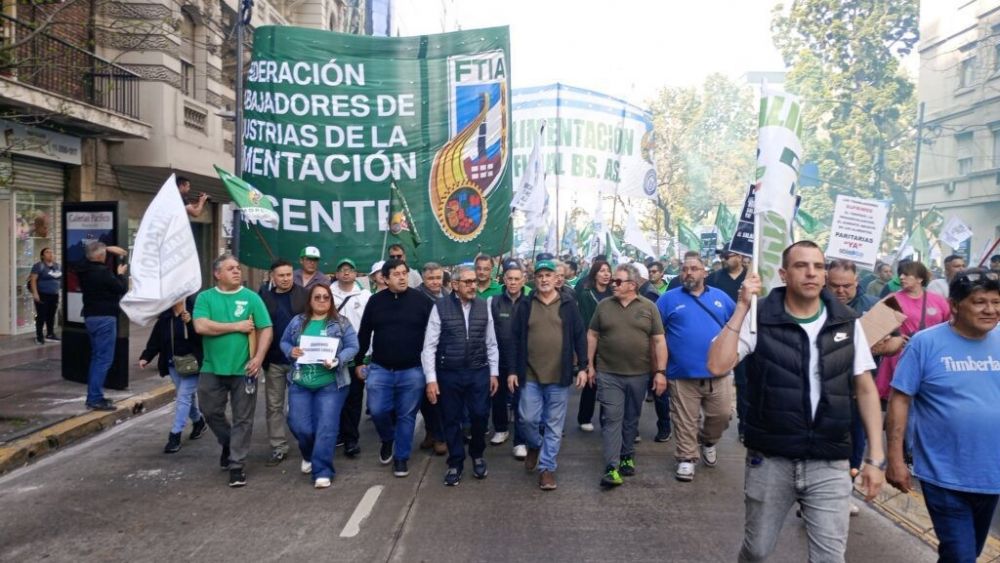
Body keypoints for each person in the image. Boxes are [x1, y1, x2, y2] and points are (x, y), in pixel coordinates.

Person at [707, 241, 885, 562]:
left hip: (830, 461)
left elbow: (867, 389)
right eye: (802, 266)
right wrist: (742, 308)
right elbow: (717, 365)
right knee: (757, 551)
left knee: (829, 558)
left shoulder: (846, 321)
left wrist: (876, 457)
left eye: (818, 266)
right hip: (771, 458)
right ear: (784, 274)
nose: (812, 273)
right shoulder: (759, 316)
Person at [886, 269, 1000, 562]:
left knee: (963, 553)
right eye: (979, 302)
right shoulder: (925, 343)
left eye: (996, 302)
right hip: (943, 474)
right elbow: (900, 400)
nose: (990, 310)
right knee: (962, 557)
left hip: (991, 475)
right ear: (955, 305)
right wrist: (895, 460)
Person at [193, 254, 273, 488]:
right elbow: (201, 326)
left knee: (243, 418)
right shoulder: (205, 298)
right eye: (231, 269)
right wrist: (236, 326)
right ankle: (228, 442)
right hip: (211, 367)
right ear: (218, 274)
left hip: (244, 369)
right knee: (209, 411)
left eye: (238, 268)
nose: (237, 272)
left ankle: (237, 465)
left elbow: (265, 328)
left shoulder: (251, 298)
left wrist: (258, 357)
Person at [508, 259, 588, 490]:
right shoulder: (525, 304)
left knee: (554, 425)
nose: (544, 279)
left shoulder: (568, 304)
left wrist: (583, 366)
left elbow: (579, 336)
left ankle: (547, 468)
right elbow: (514, 339)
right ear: (535, 279)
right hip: (529, 375)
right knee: (527, 419)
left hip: (559, 376)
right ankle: (535, 445)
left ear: (556, 279)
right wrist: (512, 370)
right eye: (540, 275)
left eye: (548, 275)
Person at [656, 252, 735, 482]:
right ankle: (686, 458)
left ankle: (708, 442)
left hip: (719, 374)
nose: (688, 273)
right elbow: (656, 334)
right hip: (681, 374)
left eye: (693, 268)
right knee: (684, 419)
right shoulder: (667, 299)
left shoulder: (721, 298)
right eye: (684, 269)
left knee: (722, 415)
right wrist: (659, 370)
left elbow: (737, 327)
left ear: (705, 273)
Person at [588, 263, 667, 488]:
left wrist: (660, 372)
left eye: (618, 281)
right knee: (612, 417)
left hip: (639, 374)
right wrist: (590, 365)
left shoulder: (649, 307)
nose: (613, 284)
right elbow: (592, 334)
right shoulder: (604, 306)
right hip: (608, 373)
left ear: (632, 285)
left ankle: (627, 455)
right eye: (613, 280)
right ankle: (611, 467)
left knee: (631, 417)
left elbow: (659, 340)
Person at [354, 258, 434, 478]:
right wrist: (359, 360)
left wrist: (432, 367)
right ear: (385, 278)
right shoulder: (375, 302)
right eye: (396, 274)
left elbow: (434, 335)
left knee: (406, 416)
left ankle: (401, 458)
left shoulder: (422, 301)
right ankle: (387, 439)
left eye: (404, 273)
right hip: (380, 369)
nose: (402, 277)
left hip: (412, 371)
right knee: (378, 410)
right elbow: (364, 333)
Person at [422, 266, 500, 486]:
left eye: (474, 281)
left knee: (480, 415)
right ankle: (455, 462)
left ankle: (477, 455)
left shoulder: (484, 306)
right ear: (455, 285)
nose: (472, 285)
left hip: (478, 371)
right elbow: (429, 346)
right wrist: (431, 379)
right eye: (467, 282)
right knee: (451, 418)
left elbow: (491, 343)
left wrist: (493, 373)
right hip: (449, 373)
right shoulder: (440, 307)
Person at [279, 284, 360, 489]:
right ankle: (308, 454)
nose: (322, 301)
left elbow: (353, 346)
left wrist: (338, 359)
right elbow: (284, 342)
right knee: (299, 426)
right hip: (300, 382)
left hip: (331, 384)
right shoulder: (298, 322)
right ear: (310, 300)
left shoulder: (341, 323)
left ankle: (322, 470)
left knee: (326, 427)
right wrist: (291, 351)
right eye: (318, 297)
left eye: (326, 297)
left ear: (331, 300)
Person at [875, 260, 952, 399]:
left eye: (906, 274)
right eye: (900, 274)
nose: (901, 278)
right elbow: (875, 328)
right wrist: (894, 338)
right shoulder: (892, 299)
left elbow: (951, 325)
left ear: (920, 278)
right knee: (900, 397)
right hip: (900, 357)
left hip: (932, 357)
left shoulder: (938, 300)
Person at [139, 298, 207, 453]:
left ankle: (175, 435)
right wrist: (146, 357)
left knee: (183, 396)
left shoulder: (196, 312)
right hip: (172, 364)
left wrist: (190, 323)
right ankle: (198, 421)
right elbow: (155, 340)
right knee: (187, 397)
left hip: (192, 364)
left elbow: (202, 338)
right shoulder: (165, 318)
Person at [258, 259, 307, 466]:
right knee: (274, 405)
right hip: (274, 361)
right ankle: (278, 446)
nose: (286, 279)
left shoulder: (304, 295)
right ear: (272, 276)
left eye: (289, 275)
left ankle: (306, 441)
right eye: (281, 275)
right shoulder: (263, 297)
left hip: (300, 360)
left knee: (300, 406)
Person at [77, 241, 128, 411]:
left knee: (97, 357)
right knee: (103, 359)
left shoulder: (83, 269)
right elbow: (120, 288)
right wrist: (120, 274)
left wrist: (106, 248)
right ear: (100, 256)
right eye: (104, 253)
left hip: (90, 317)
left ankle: (94, 395)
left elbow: (88, 255)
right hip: (105, 317)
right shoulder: (104, 273)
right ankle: (95, 398)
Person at [706, 244, 750, 441]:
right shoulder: (714, 278)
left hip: (745, 335)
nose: (724, 259)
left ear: (740, 256)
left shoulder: (752, 278)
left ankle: (744, 424)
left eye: (728, 255)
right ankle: (716, 418)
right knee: (715, 377)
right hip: (721, 337)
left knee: (744, 383)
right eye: (722, 256)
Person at [330, 258, 371, 458]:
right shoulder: (327, 294)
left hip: (357, 354)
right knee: (334, 396)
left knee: (354, 397)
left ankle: (351, 438)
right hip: (332, 354)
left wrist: (367, 354)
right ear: (336, 274)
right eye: (342, 269)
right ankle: (337, 432)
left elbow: (369, 326)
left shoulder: (364, 296)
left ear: (356, 274)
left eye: (350, 269)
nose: (346, 273)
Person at [489, 261, 528, 455]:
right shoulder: (494, 301)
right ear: (504, 280)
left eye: (516, 279)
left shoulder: (530, 302)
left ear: (523, 280)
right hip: (499, 357)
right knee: (498, 396)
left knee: (521, 400)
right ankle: (501, 429)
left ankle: (520, 441)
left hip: (522, 360)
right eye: (509, 279)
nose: (513, 283)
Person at [576, 258, 612, 432]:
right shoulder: (586, 293)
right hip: (591, 341)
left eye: (608, 271)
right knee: (591, 380)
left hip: (610, 344)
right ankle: (584, 417)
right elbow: (584, 321)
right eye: (602, 271)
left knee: (608, 383)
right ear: (595, 273)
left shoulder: (614, 293)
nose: (606, 274)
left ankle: (606, 418)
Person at [29, 247, 62, 344]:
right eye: (47, 252)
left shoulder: (58, 266)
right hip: (42, 295)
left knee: (51, 315)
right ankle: (39, 336)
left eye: (52, 252)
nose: (50, 254)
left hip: (54, 295)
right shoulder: (39, 266)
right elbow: (33, 280)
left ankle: (50, 334)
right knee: (41, 316)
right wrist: (35, 293)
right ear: (42, 255)